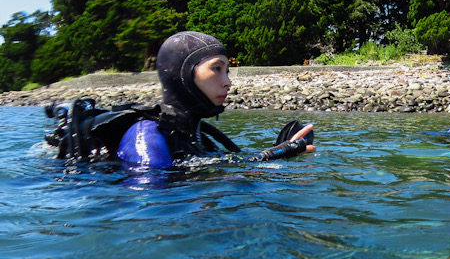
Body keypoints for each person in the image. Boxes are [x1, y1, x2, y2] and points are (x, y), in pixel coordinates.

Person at [44, 31, 316, 167]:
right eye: (216, 69)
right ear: (183, 76)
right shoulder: (147, 136)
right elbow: (152, 202)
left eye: (228, 71)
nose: (227, 82)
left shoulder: (197, 133)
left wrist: (281, 150)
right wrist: (274, 158)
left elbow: (230, 165)